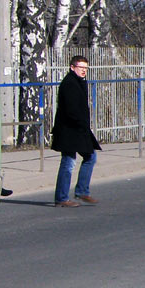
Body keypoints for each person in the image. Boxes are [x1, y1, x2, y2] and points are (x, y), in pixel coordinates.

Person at [50, 55, 101, 208]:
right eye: (81, 68)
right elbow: (71, 110)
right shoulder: (70, 83)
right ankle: (62, 198)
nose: (84, 71)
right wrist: (81, 124)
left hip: (78, 129)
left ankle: (81, 191)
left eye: (86, 68)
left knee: (90, 156)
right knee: (69, 162)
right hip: (69, 130)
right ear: (72, 67)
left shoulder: (79, 82)